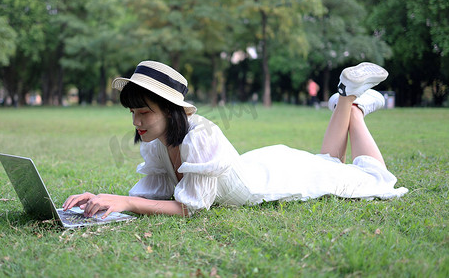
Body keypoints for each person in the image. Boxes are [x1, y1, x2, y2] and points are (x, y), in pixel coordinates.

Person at [63, 61, 408, 218]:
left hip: (276, 178)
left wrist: (125, 203)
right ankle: (346, 98)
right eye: (132, 113)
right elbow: (158, 192)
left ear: (172, 110)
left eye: (144, 113)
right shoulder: (154, 139)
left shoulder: (201, 136)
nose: (136, 122)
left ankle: (353, 108)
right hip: (260, 163)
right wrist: (106, 200)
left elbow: (188, 208)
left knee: (368, 177)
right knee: (329, 162)